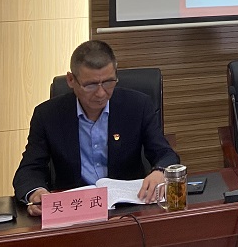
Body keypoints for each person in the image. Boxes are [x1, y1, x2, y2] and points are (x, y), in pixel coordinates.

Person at [12, 40, 179, 216]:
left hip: (128, 210)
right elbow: (29, 170)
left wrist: (161, 172)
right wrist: (36, 192)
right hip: (74, 211)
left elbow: (166, 154)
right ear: (71, 80)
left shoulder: (138, 106)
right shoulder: (47, 115)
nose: (100, 93)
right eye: (90, 85)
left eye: (108, 82)